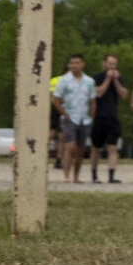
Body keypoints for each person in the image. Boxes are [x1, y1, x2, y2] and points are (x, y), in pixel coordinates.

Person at [53, 54, 95, 183]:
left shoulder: (89, 81)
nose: (75, 65)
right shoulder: (64, 81)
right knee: (70, 145)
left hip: (84, 118)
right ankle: (66, 175)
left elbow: (92, 100)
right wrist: (64, 113)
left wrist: (92, 116)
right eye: (72, 63)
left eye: (77, 63)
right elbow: (56, 100)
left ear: (82, 64)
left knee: (80, 149)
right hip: (69, 116)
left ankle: (76, 176)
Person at [89, 54, 126, 183]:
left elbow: (123, 94)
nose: (112, 66)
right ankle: (94, 175)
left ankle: (111, 176)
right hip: (99, 116)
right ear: (104, 64)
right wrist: (108, 79)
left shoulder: (118, 78)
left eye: (114, 64)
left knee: (113, 147)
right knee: (96, 147)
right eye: (110, 63)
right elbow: (98, 93)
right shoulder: (96, 77)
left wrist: (116, 80)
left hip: (112, 116)